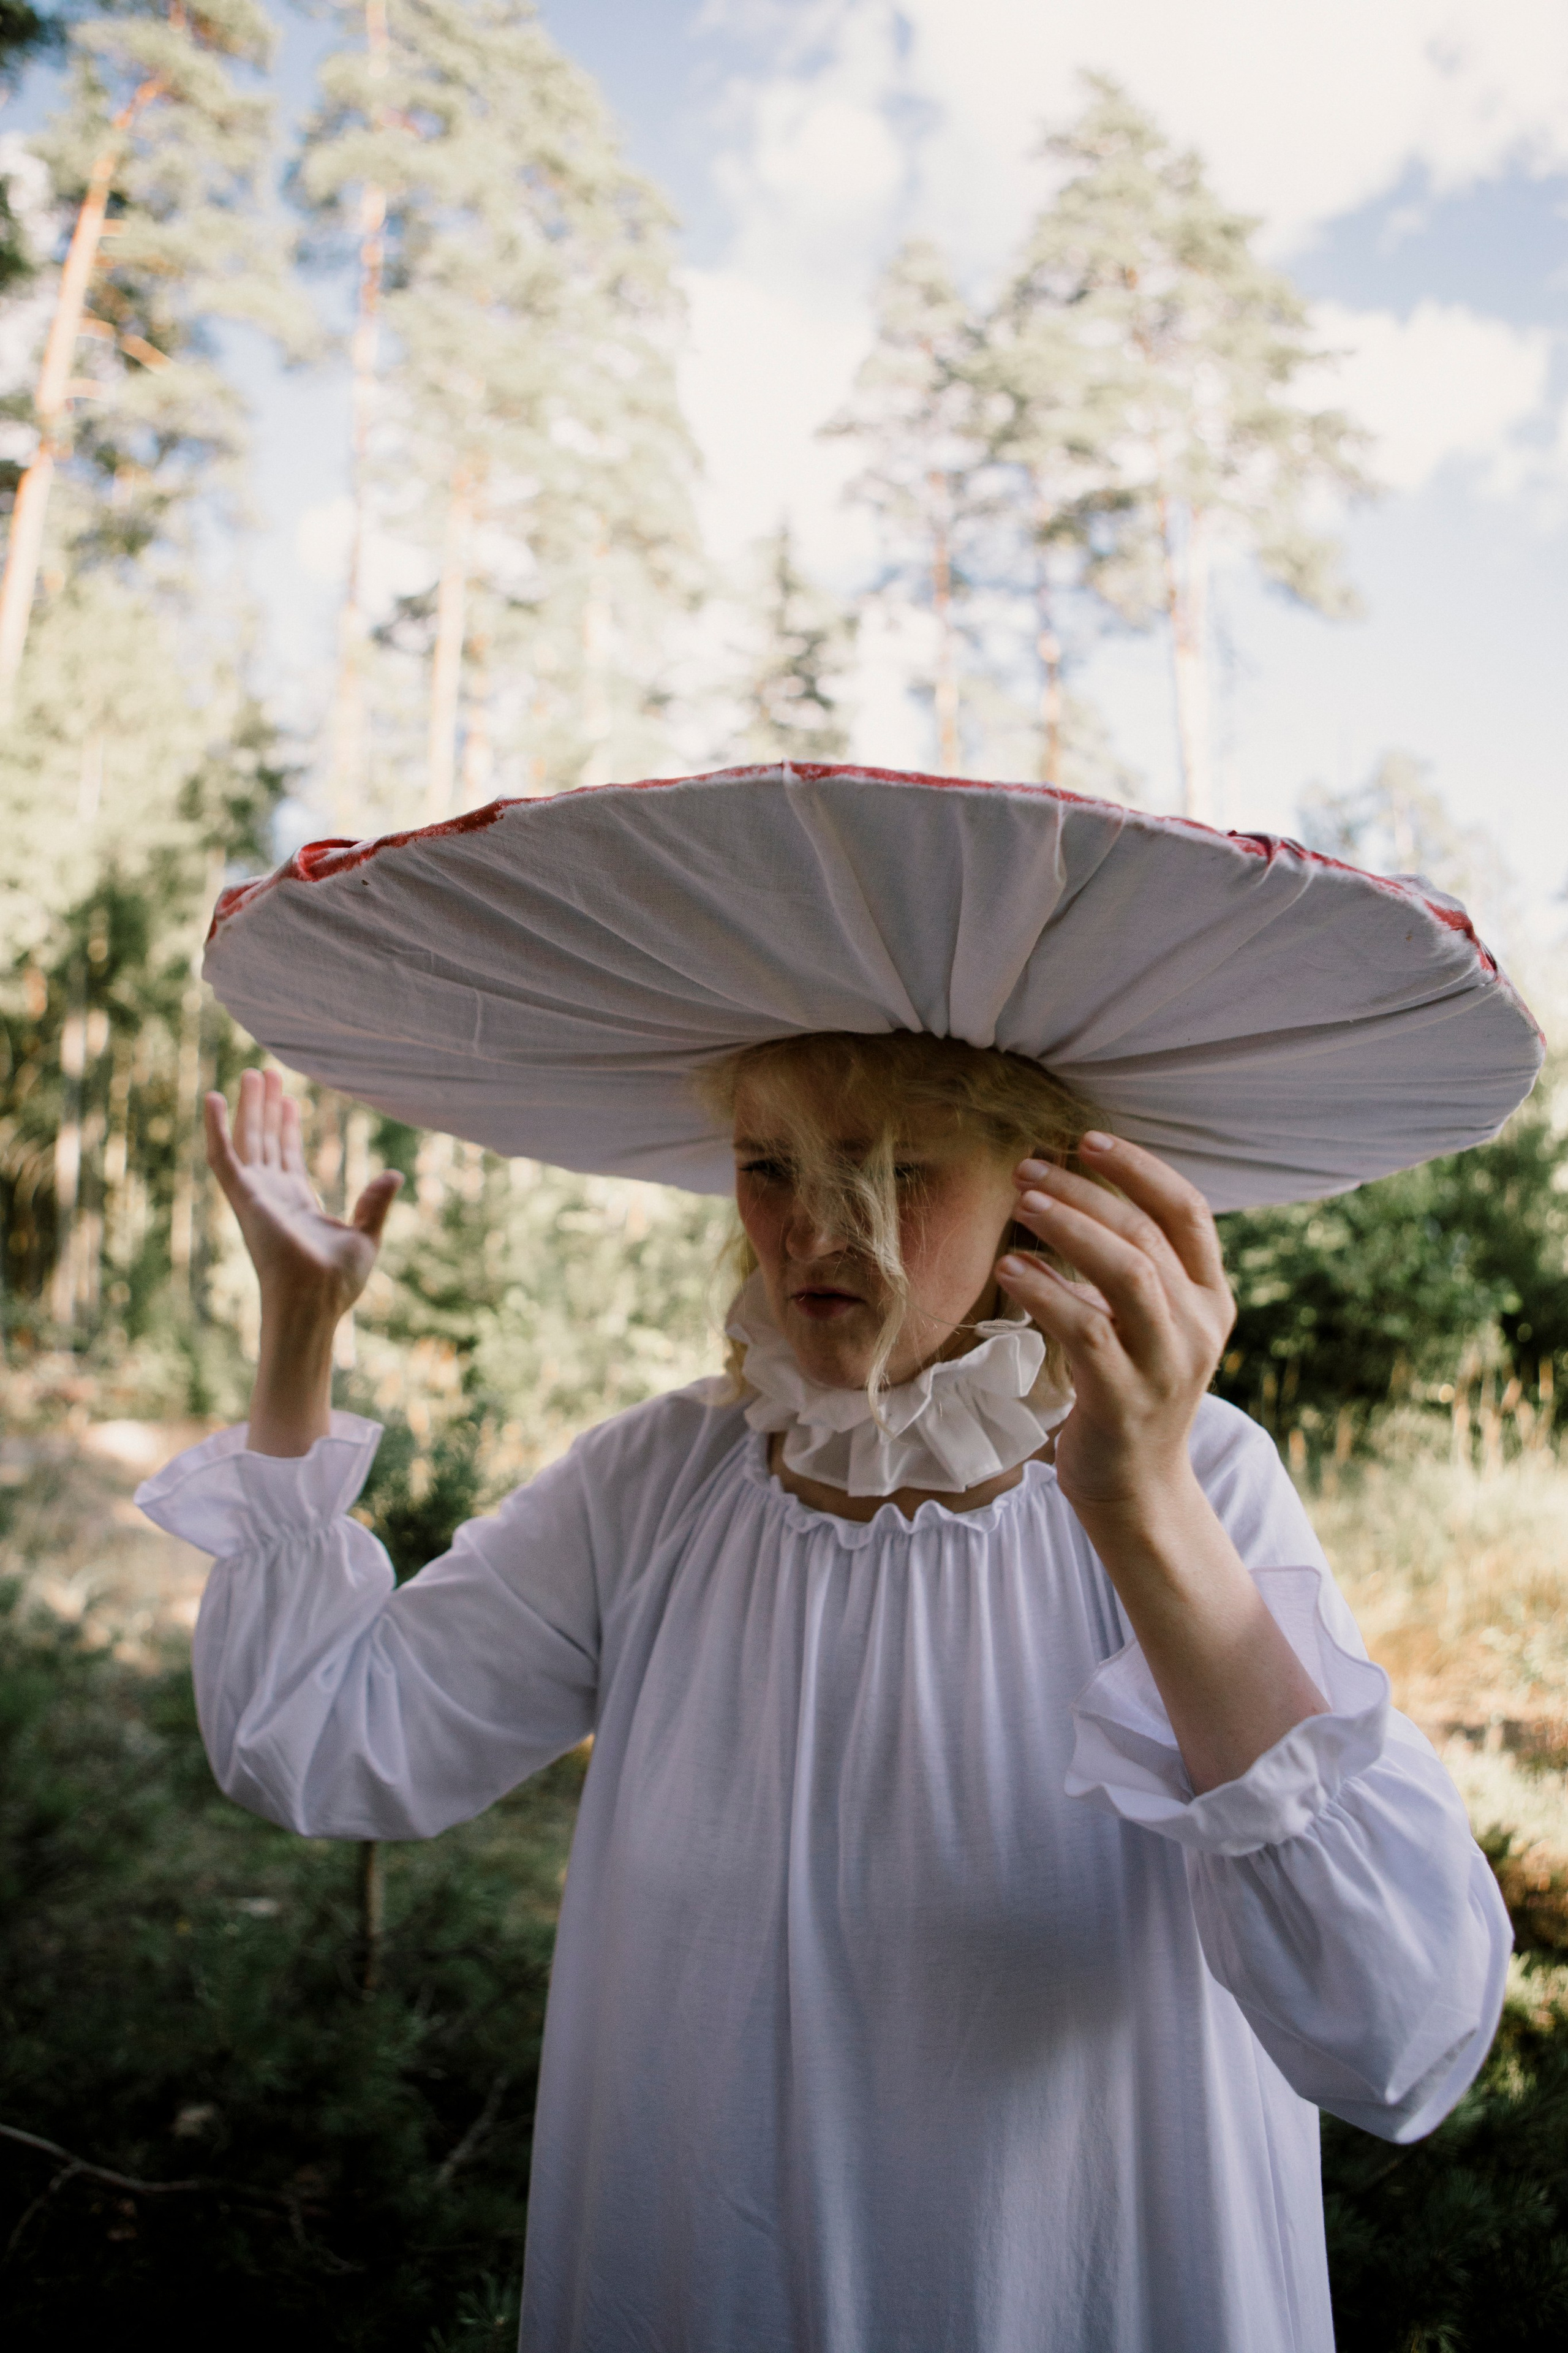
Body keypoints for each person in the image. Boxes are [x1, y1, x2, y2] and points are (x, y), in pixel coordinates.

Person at [139, 765, 1536, 2353]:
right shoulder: (660, 1481)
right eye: (769, 1167)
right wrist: (298, 1345)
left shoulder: (1196, 1476)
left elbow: (1404, 2035)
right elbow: (322, 1740)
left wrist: (1141, 1501)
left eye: (895, 1171)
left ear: (1044, 1190)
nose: (818, 1233)